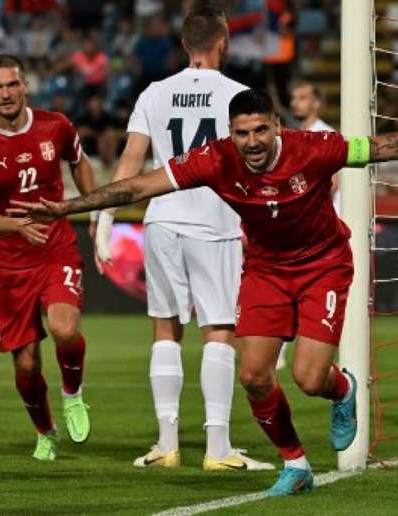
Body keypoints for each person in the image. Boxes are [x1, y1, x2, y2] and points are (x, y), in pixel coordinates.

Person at [10, 88, 398, 495]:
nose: (251, 141)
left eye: (259, 130)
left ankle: (342, 390)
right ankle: (295, 464)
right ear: (230, 133)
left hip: (323, 266)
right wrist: (66, 208)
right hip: (267, 270)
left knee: (308, 377)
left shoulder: (316, 149)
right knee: (252, 375)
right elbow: (139, 186)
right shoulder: (214, 159)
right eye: (241, 133)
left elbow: (388, 146)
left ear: (276, 126)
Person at [93, 7, 272, 472]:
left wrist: (106, 219)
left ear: (183, 42)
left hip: (162, 220)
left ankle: (166, 444)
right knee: (219, 330)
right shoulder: (239, 96)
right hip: (214, 224)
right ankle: (217, 449)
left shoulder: (154, 93)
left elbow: (132, 160)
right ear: (223, 40)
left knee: (165, 329)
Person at [0, 54, 94, 461]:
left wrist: (90, 208)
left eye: (12, 84)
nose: (5, 93)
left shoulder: (55, 125)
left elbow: (80, 163)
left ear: (25, 86)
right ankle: (45, 430)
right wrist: (17, 225)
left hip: (56, 247)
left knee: (65, 329)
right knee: (26, 364)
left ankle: (73, 395)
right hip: (9, 262)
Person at [274, 79, 335, 370]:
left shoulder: (325, 136)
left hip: (323, 230)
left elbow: (331, 184)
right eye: (294, 97)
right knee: (287, 292)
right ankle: (281, 350)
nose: (296, 102)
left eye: (303, 97)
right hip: (296, 229)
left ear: (317, 103)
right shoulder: (288, 137)